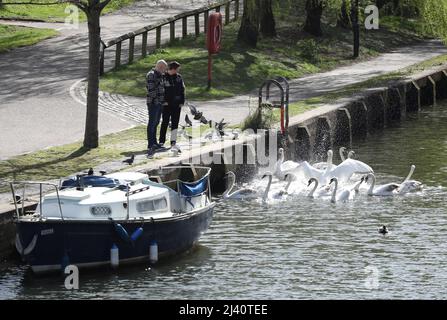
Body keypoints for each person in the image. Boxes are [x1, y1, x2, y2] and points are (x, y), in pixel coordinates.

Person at [159, 61, 185, 153]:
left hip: (177, 105)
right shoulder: (163, 77)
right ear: (173, 69)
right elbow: (160, 90)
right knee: (165, 122)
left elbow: (182, 89)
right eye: (177, 69)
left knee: (175, 123)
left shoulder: (179, 77)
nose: (178, 70)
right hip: (166, 104)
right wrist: (163, 101)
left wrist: (182, 101)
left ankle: (173, 142)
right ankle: (161, 141)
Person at [146, 60, 168, 158]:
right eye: (164, 68)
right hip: (153, 103)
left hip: (159, 103)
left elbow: (162, 88)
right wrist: (157, 101)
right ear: (160, 67)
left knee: (156, 123)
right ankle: (151, 144)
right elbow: (151, 91)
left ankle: (155, 142)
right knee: (152, 123)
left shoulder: (160, 75)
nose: (165, 71)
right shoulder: (151, 75)